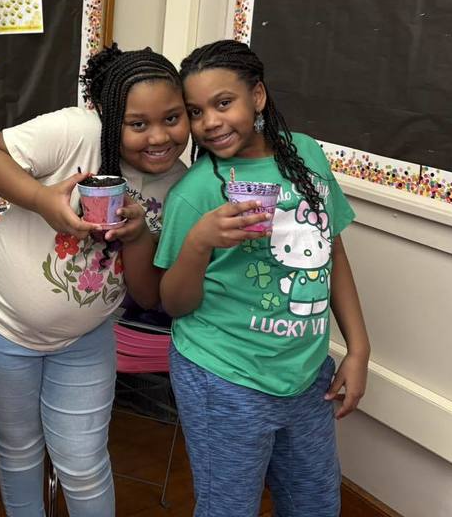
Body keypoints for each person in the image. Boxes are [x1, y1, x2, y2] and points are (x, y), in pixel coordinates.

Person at [0, 45, 190, 516]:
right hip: (1, 319)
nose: (158, 137)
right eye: (137, 124)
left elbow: (149, 295)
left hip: (85, 338)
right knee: (20, 447)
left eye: (173, 119)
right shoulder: (76, 132)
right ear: (109, 118)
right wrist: (43, 200)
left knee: (84, 463)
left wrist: (137, 237)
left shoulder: (181, 186)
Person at [155, 39, 370, 517]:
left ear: (258, 96)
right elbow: (173, 303)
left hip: (306, 373)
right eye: (195, 111)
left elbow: (332, 253)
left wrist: (358, 349)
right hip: (224, 376)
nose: (209, 122)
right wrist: (199, 241)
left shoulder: (307, 156)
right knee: (228, 508)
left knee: (315, 504)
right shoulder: (196, 193)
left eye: (223, 102)